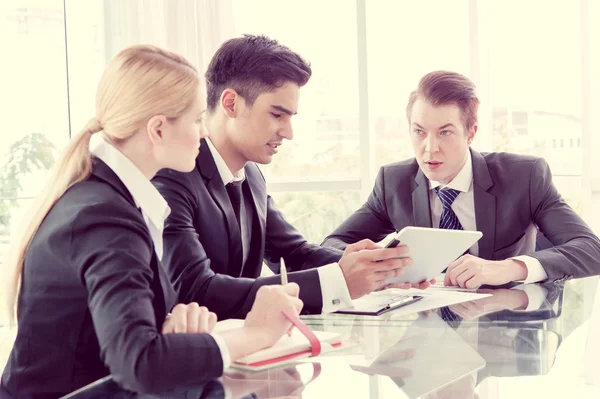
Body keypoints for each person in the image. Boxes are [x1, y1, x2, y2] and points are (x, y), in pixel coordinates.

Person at [1, 45, 304, 397]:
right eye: (196, 120)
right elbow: (138, 364)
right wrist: (255, 334)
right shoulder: (104, 217)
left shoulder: (105, 198)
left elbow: (116, 338)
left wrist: (166, 330)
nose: (204, 133)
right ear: (158, 129)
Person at [152, 35, 424, 319]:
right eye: (277, 115)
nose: (288, 132)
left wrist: (373, 267)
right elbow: (194, 290)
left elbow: (294, 253)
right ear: (231, 104)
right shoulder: (173, 177)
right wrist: (338, 280)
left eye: (290, 117)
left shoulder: (252, 176)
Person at [323, 70, 600, 288]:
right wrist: (383, 266)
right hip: (426, 336)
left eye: (445, 132)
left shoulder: (524, 177)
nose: (430, 148)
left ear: (471, 133)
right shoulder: (393, 182)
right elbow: (331, 246)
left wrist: (508, 268)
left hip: (505, 329)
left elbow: (590, 250)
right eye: (419, 132)